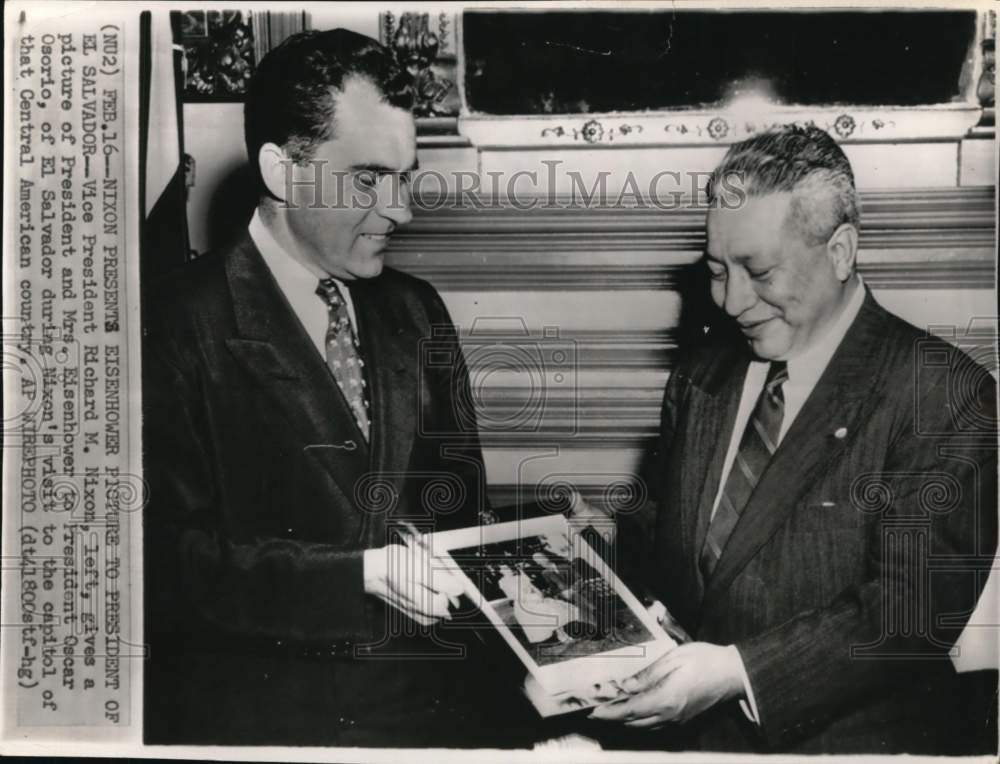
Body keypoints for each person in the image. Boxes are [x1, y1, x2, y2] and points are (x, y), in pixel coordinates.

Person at [142, 28, 533, 747]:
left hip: (424, 719)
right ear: (283, 170)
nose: (400, 211)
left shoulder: (416, 312)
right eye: (367, 180)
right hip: (262, 731)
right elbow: (158, 570)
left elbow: (462, 512)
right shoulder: (168, 328)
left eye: (405, 178)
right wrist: (358, 576)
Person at [589, 125, 997, 754]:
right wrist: (599, 540)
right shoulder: (702, 374)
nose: (730, 302)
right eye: (717, 272)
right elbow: (675, 542)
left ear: (840, 251)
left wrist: (737, 673)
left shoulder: (944, 393)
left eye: (758, 271)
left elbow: (913, 612)